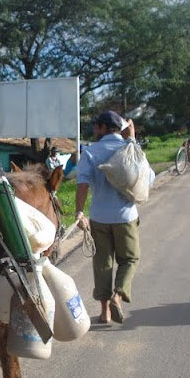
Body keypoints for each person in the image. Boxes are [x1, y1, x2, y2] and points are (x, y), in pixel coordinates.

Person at [74, 111, 155, 324]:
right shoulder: (130, 148)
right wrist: (133, 139)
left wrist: (79, 212)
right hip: (126, 216)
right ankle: (118, 296)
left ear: (103, 127)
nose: (93, 130)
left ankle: (104, 313)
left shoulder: (90, 152)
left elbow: (82, 183)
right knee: (130, 259)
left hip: (99, 217)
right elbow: (149, 178)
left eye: (95, 126)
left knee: (103, 263)